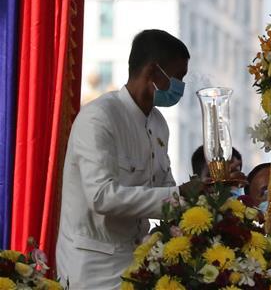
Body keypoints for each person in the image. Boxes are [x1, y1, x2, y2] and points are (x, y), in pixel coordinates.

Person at [56, 30, 204, 290]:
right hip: (92, 268)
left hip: (138, 261)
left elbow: (164, 186)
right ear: (153, 71)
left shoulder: (158, 124)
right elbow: (101, 196)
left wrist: (202, 197)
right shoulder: (100, 118)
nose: (180, 87)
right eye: (178, 77)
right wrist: (179, 196)